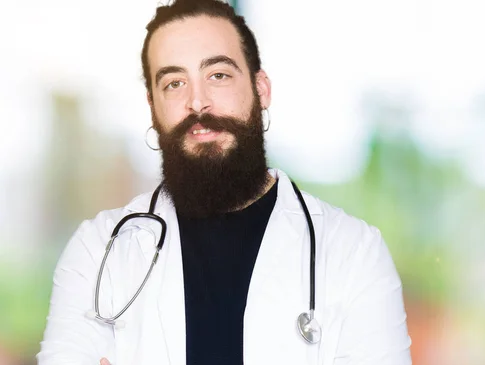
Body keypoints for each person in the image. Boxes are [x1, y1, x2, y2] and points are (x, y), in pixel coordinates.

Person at [37, 0, 412, 364]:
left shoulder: (355, 254)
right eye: (174, 83)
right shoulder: (98, 251)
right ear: (152, 107)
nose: (197, 103)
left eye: (218, 75)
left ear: (261, 89)